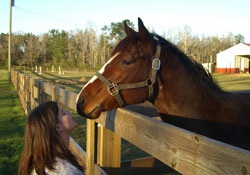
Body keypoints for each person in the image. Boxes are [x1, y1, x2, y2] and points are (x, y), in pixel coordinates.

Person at [18, 101, 85, 175]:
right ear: (57, 127)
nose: (68, 112)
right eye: (63, 113)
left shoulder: (40, 166)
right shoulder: (66, 171)